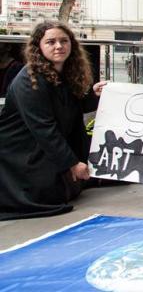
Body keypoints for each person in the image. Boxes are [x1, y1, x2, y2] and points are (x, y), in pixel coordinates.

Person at [0, 21, 106, 220]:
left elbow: (72, 108)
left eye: (64, 41)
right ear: (38, 46)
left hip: (42, 148)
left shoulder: (66, 74)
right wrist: (72, 164)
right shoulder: (28, 80)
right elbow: (43, 129)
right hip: (19, 153)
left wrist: (94, 95)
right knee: (49, 195)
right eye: (51, 42)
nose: (59, 46)